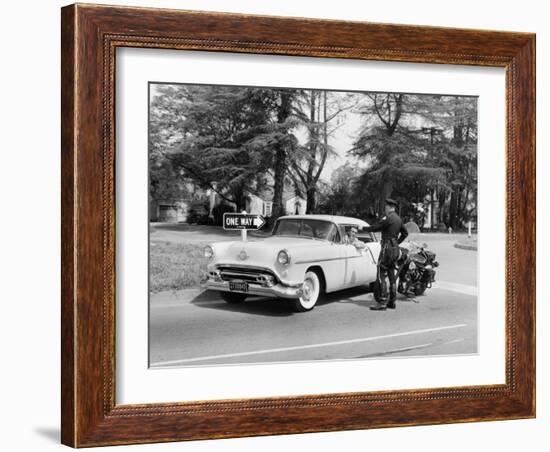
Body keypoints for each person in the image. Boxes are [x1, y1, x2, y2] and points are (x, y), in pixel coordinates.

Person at [361, 198, 409, 310]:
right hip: (395, 249)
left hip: (386, 249)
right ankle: (392, 302)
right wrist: (397, 242)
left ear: (389, 207)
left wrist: (362, 228)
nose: (384, 209)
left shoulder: (388, 218)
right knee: (392, 276)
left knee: (381, 274)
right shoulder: (398, 219)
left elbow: (375, 228)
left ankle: (382, 302)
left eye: (385, 207)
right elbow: (405, 233)